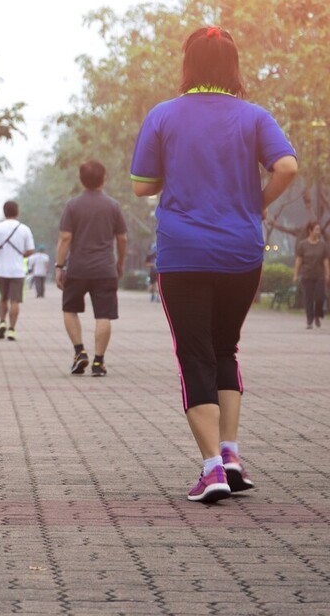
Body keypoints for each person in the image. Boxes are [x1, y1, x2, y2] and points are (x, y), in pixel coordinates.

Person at [131, 26, 297, 503]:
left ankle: (211, 470)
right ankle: (231, 454)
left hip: (184, 254)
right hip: (241, 251)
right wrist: (256, 204)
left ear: (188, 66)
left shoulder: (164, 115)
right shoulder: (254, 116)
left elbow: (143, 184)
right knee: (226, 348)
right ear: (233, 66)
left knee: (194, 354)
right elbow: (286, 166)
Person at [54, 161, 128, 377]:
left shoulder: (73, 206)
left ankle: (79, 352)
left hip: (77, 269)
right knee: (103, 314)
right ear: (104, 179)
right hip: (105, 269)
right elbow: (122, 238)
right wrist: (120, 263)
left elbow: (65, 237)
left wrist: (59, 266)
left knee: (70, 309)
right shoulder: (113, 206)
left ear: (81, 179)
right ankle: (99, 362)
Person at [0, 201, 35, 340]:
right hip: (18, 271)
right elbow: (31, 250)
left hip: (1, 269)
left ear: (4, 212)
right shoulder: (25, 229)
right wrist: (21, 255)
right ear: (17, 212)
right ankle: (12, 329)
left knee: (3, 298)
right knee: (15, 301)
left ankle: (2, 322)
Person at [293, 221, 329, 329]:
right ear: (310, 231)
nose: (318, 232)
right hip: (307, 275)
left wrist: (327, 274)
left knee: (319, 298)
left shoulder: (323, 245)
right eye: (316, 229)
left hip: (319, 275)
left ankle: (317, 315)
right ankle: (310, 320)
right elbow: (299, 260)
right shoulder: (303, 245)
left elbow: (326, 261)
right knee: (308, 298)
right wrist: (295, 274)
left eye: (319, 230)